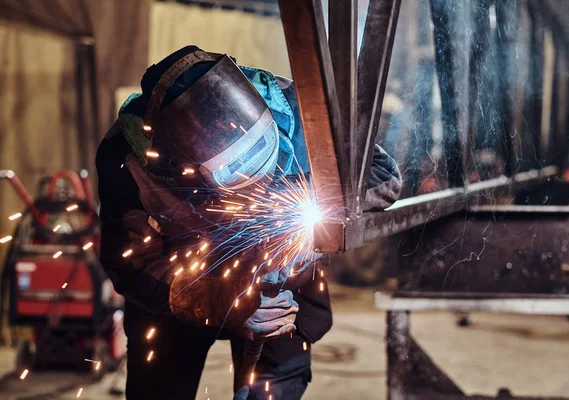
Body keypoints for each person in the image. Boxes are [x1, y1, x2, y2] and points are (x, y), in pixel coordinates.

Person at [96, 46, 402, 399]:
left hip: (281, 294)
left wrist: (304, 225)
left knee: (274, 387)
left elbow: (380, 176)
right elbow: (131, 265)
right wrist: (223, 301)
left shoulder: (299, 109)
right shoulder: (128, 154)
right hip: (182, 289)